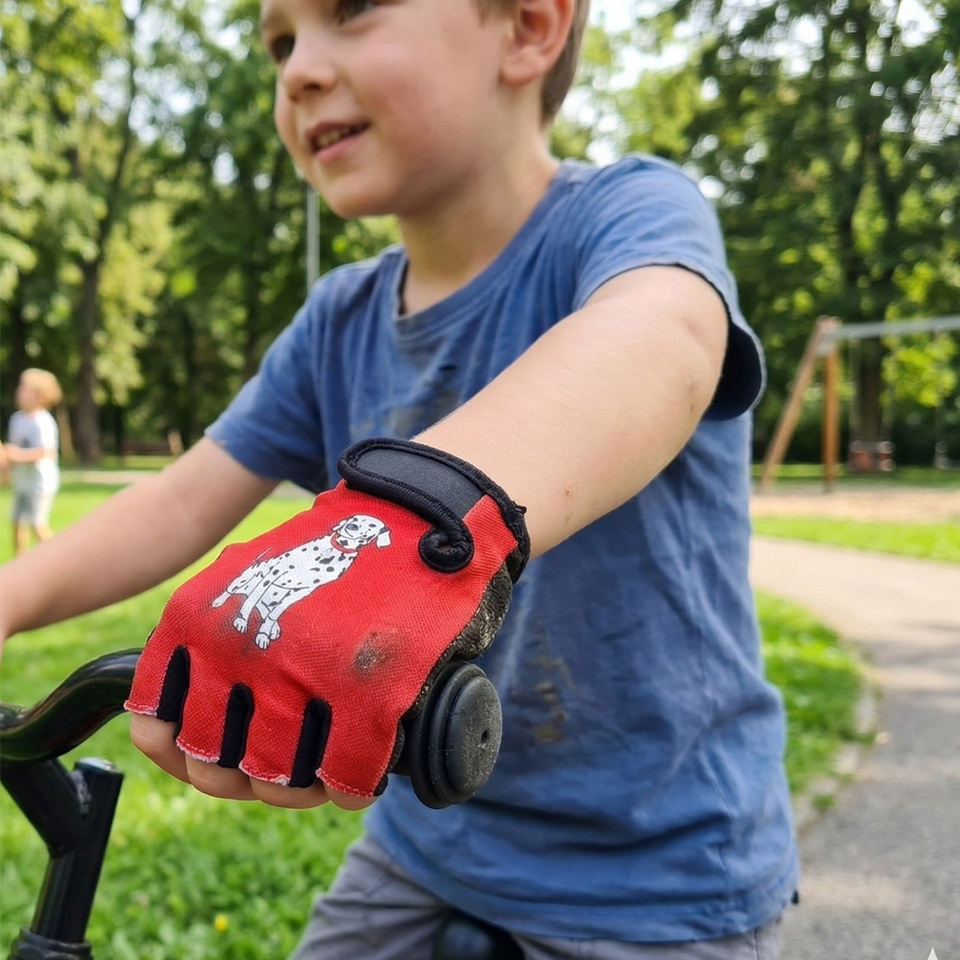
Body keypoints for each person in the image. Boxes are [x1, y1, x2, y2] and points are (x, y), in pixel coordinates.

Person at [0, 0, 797, 956]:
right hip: (425, 843)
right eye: (281, 42)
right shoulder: (337, 319)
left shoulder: (629, 214)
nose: (298, 70)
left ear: (530, 27)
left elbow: (663, 336)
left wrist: (408, 518)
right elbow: (177, 500)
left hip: (659, 869)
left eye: (351, 10)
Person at [3, 368, 62, 556]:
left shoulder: (43, 422)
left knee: (37, 524)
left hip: (40, 484)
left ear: (41, 397)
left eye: (24, 389)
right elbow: (12, 451)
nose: (18, 392)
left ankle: (58, 558)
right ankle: (20, 562)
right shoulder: (17, 419)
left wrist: (15, 455)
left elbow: (45, 453)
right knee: (17, 521)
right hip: (22, 482)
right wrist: (5, 469)